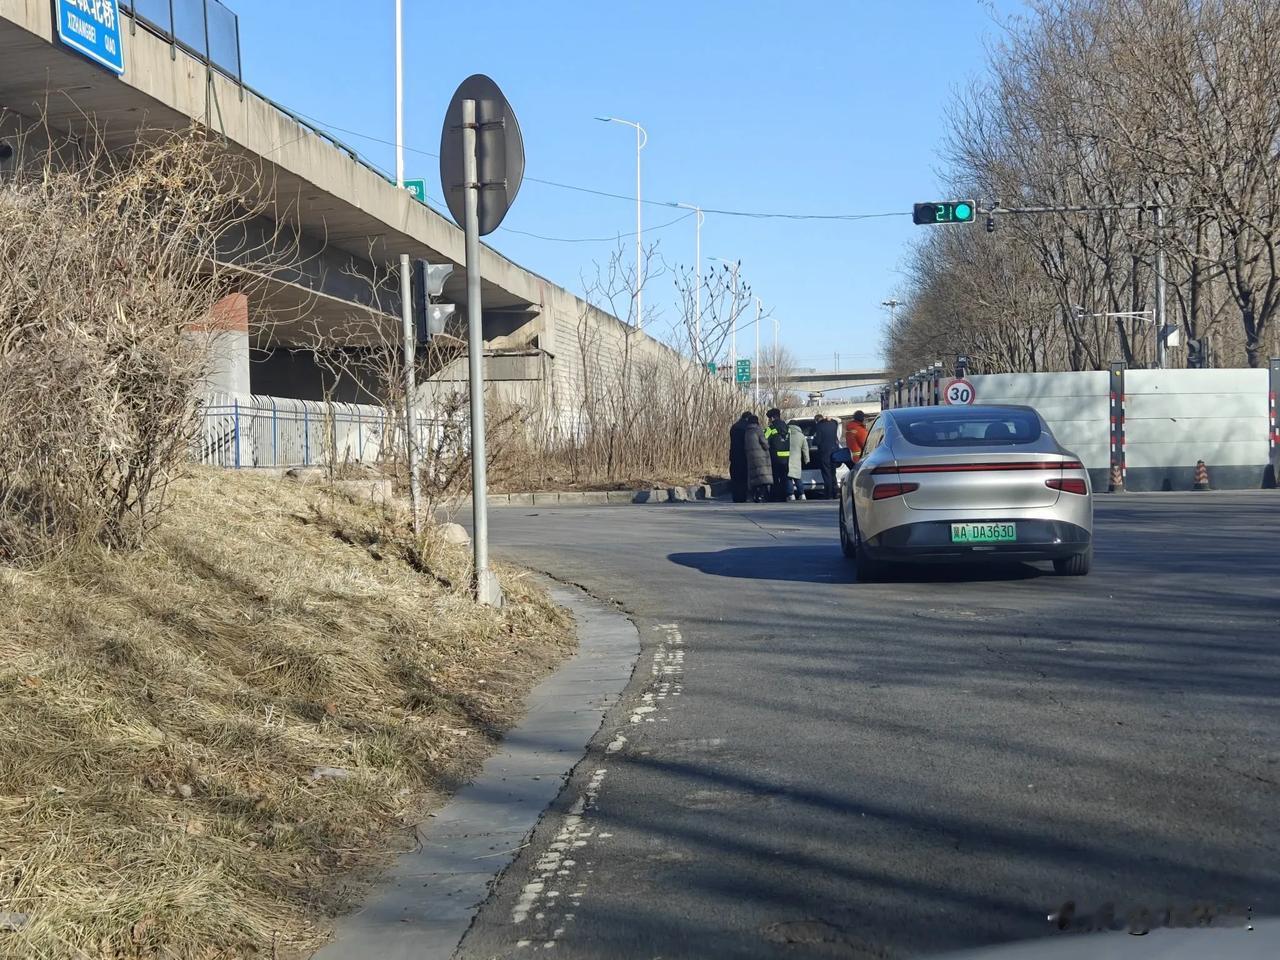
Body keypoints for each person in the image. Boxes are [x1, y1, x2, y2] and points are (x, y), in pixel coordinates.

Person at [743, 414, 773, 502]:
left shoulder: (747, 431)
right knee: (763, 478)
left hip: (751, 457)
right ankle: (762, 495)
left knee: (755, 478)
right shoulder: (758, 430)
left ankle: (754, 495)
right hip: (761, 457)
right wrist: (768, 446)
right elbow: (764, 442)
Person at [764, 407, 791, 502]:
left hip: (775, 456)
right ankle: (784, 496)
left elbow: (764, 439)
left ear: (772, 418)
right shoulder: (787, 428)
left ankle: (774, 496)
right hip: (786, 456)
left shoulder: (770, 429)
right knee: (784, 477)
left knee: (775, 477)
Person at [813, 413, 840, 499]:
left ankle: (829, 494)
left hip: (824, 453)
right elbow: (836, 422)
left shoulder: (819, 426)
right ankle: (835, 492)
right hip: (834, 452)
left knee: (826, 474)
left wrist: (813, 441)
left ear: (817, 420)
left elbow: (818, 441)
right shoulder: (833, 424)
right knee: (833, 473)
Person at [728, 411, 752, 503]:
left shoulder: (734, 427)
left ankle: (736, 496)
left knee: (735, 477)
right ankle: (743, 497)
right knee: (743, 477)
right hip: (744, 455)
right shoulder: (747, 427)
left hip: (734, 455)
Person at [786, 419, 811, 501]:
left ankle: (791, 495)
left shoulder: (786, 434)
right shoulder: (801, 436)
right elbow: (805, 449)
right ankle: (802, 494)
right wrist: (807, 459)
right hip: (797, 459)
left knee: (788, 477)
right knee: (797, 478)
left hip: (787, 458)